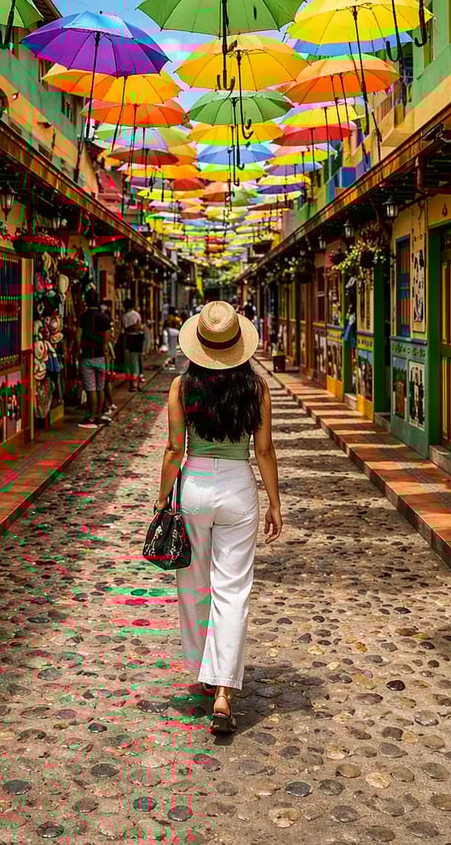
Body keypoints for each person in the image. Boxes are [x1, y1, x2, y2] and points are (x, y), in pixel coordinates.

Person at [155, 301, 282, 736]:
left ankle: (205, 674)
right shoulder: (257, 388)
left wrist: (160, 501)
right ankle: (225, 689)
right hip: (238, 489)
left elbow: (174, 450)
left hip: (193, 487)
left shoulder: (181, 387)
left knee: (194, 586)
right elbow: (263, 450)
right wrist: (275, 503)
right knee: (233, 590)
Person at [79, 288, 112, 427]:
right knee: (100, 387)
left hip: (87, 356)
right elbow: (106, 340)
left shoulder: (83, 317)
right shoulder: (104, 318)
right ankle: (99, 414)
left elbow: (77, 337)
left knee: (91, 389)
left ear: (86, 301)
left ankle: (91, 417)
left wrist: (76, 351)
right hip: (101, 357)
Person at [123, 299, 145, 391]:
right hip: (138, 339)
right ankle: (137, 383)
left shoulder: (124, 316)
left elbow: (125, 329)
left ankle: (134, 384)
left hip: (129, 339)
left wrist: (131, 328)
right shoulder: (136, 314)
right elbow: (139, 327)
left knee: (131, 361)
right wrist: (135, 327)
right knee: (138, 360)